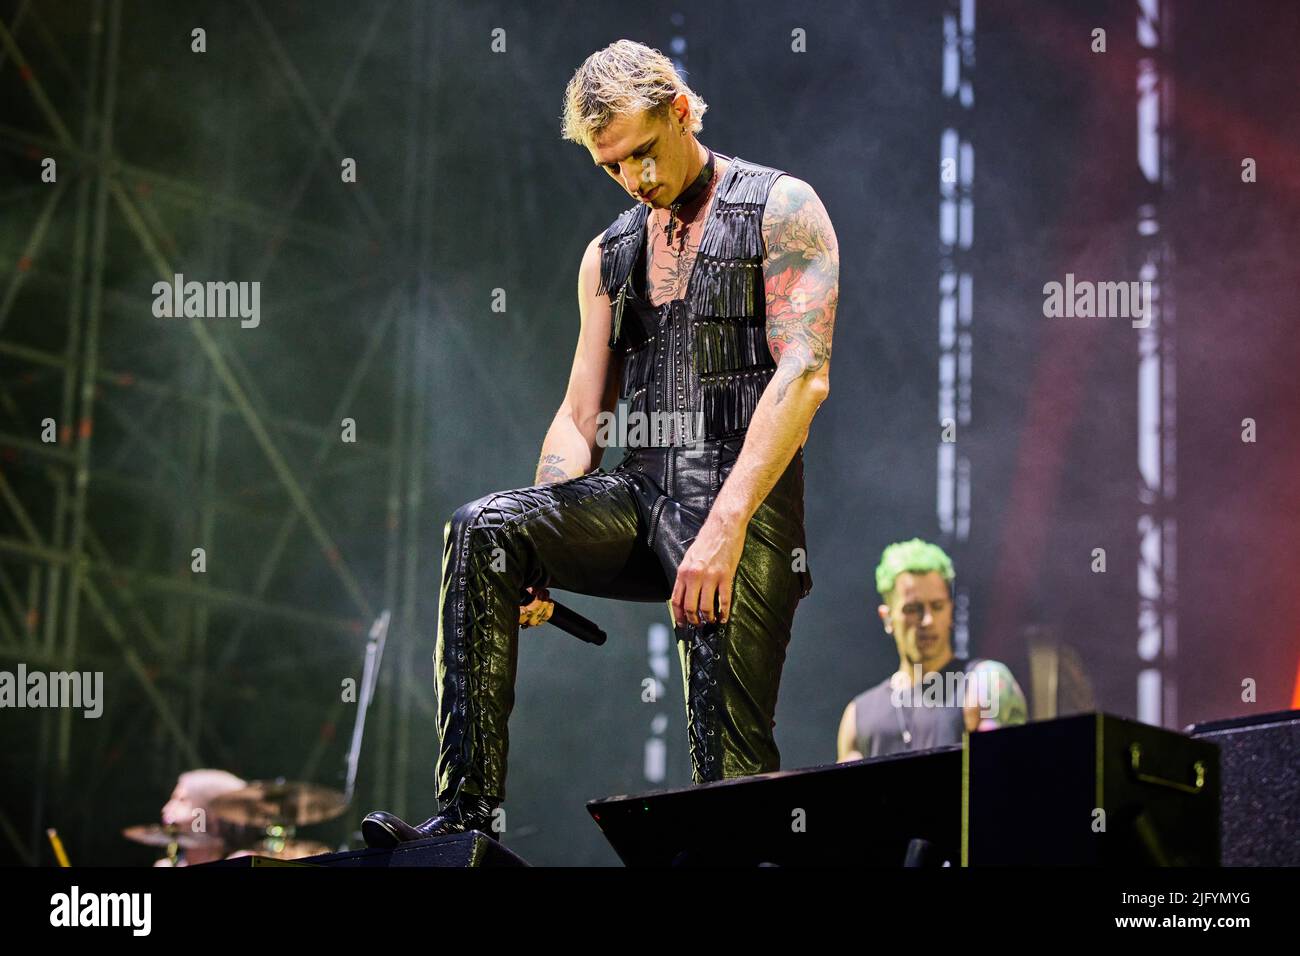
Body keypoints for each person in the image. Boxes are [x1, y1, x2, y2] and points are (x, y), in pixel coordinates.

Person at [363, 39, 838, 846]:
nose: (635, 180)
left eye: (644, 154)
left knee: (730, 773)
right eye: (612, 167)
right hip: (640, 492)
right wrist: (538, 552)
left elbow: (805, 378)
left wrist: (721, 530)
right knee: (486, 529)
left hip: (744, 506)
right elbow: (581, 415)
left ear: (681, 110)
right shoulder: (610, 254)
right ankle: (464, 820)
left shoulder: (781, 207)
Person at [837, 539, 1027, 760]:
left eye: (937, 606)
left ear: (950, 611)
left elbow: (1009, 777)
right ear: (887, 617)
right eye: (913, 608)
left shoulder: (986, 681)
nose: (927, 620)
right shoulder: (858, 715)